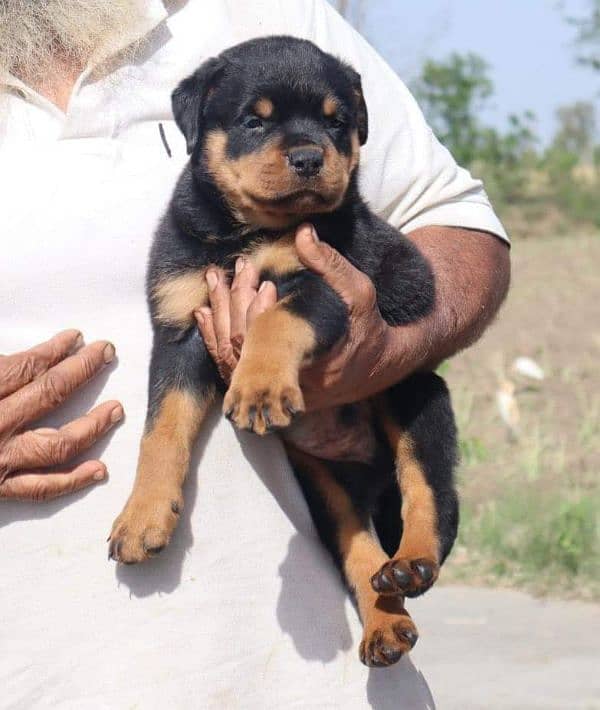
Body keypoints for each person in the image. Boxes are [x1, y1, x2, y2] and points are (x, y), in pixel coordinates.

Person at [0, 1, 509, 707]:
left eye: (332, 128)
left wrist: (384, 350)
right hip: (31, 670)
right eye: (258, 123)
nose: (305, 151)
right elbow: (178, 354)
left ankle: (392, 580)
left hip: (296, 675)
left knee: (386, 452)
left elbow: (457, 225)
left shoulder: (262, 14)